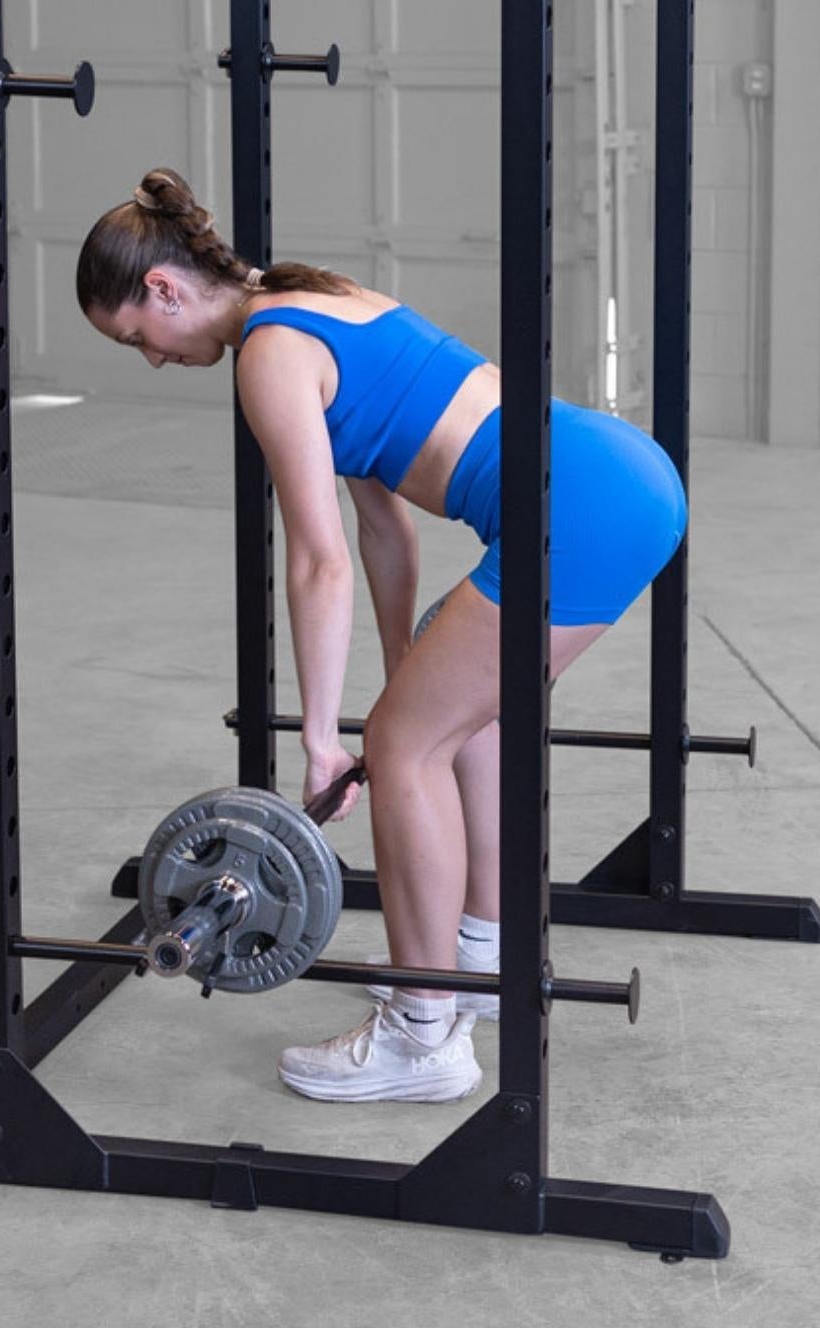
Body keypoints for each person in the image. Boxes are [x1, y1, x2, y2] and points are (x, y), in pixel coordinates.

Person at [77, 166, 687, 1104]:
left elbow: (315, 560)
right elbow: (383, 527)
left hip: (579, 505)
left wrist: (325, 738)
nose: (153, 359)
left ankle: (422, 1034)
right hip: (617, 474)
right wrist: (406, 666)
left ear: (162, 289)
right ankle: (477, 957)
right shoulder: (313, 298)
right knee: (455, 721)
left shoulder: (266, 358)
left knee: (401, 747)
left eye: (137, 341)